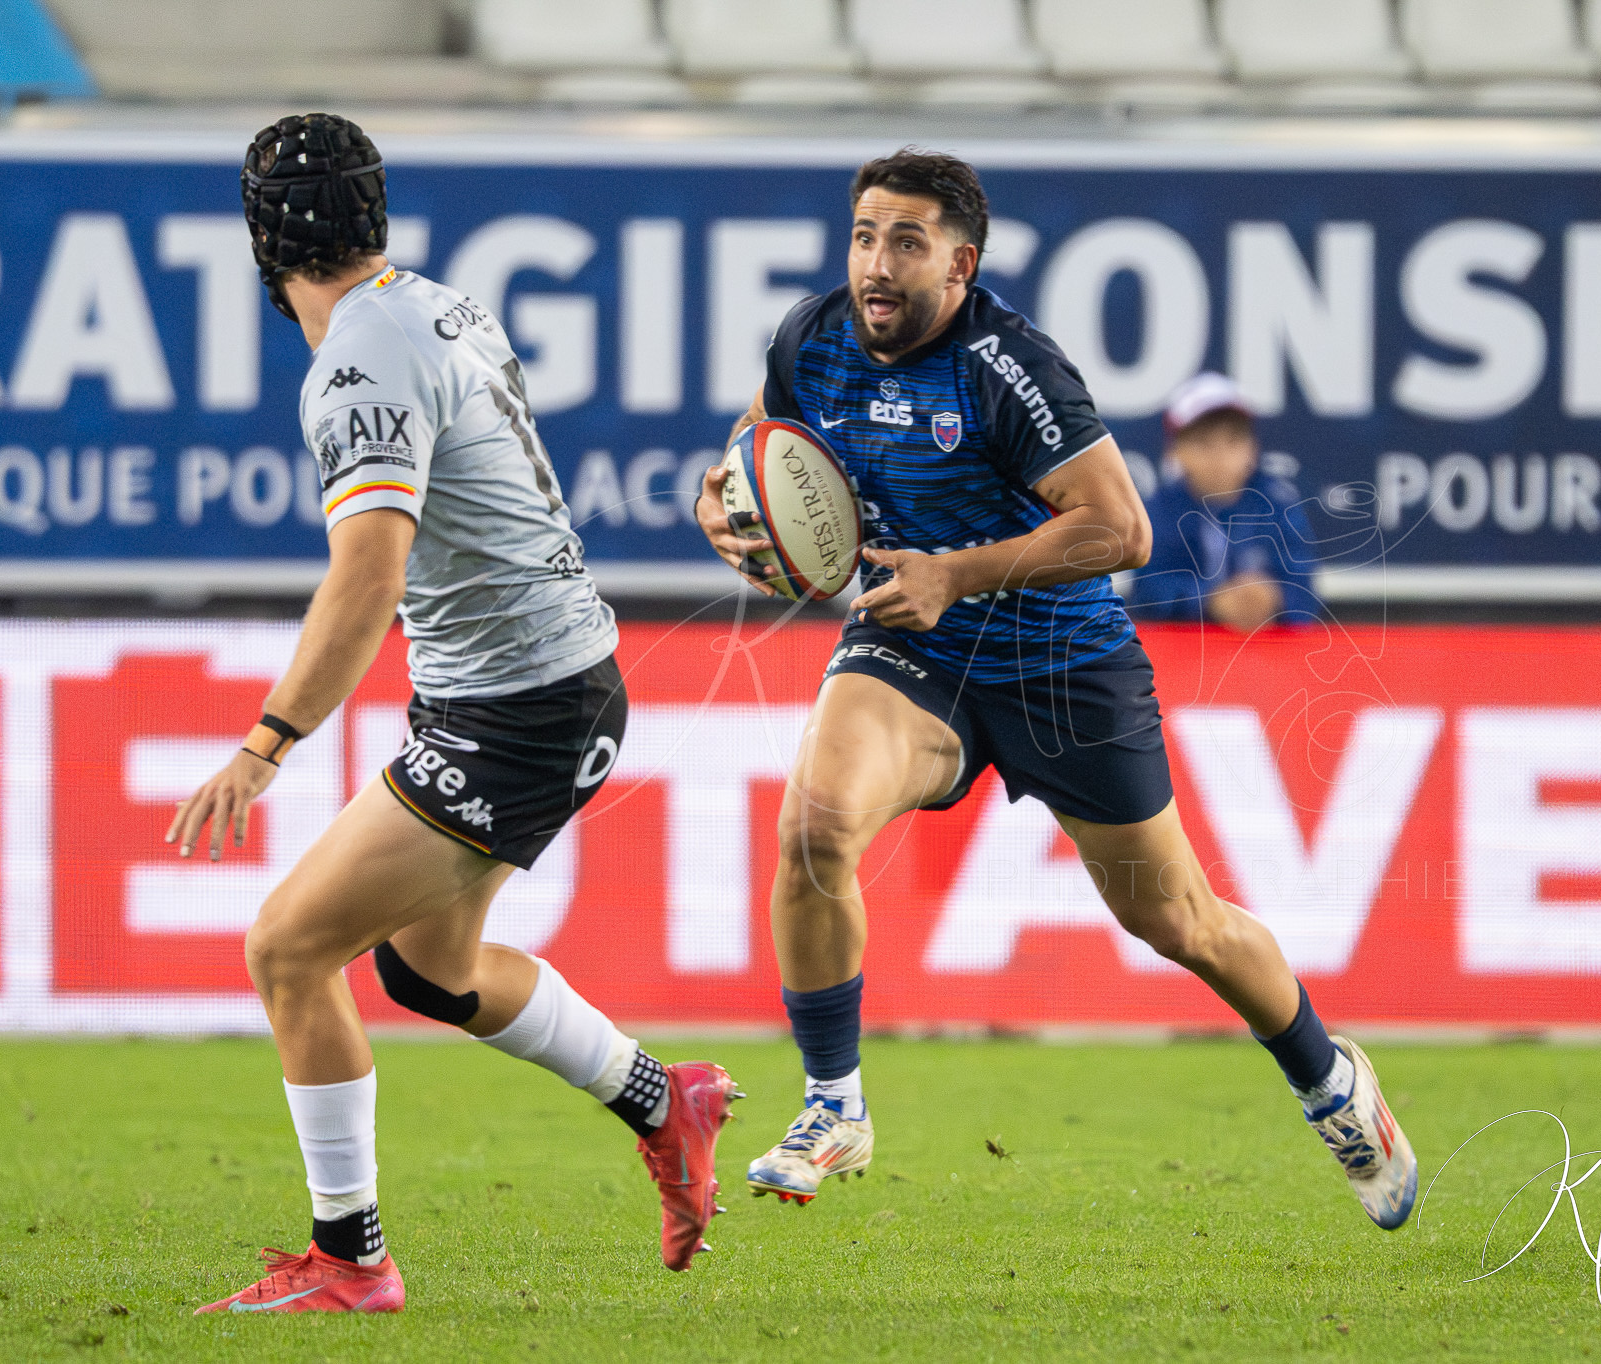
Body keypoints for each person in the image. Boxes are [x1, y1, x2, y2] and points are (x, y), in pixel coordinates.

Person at [694, 148, 1416, 1232]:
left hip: (1061, 669)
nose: (875, 264)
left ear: (959, 261)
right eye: (862, 235)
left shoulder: (1009, 366)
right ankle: (831, 1102)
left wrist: (954, 571)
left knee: (1178, 919)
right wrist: (725, 502)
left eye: (905, 242)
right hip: (915, 650)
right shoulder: (812, 339)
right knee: (813, 827)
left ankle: (1329, 1082)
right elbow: (756, 447)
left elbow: (1118, 528)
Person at [167, 113, 737, 1316]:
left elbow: (369, 574)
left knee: (286, 946)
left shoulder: (358, 360)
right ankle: (660, 1097)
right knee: (433, 971)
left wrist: (266, 740)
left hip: (518, 706)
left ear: (262, 240)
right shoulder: (435, 304)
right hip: (546, 678)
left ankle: (350, 1259)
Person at [1129, 373, 1319, 633]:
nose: (1220, 456)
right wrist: (1210, 601)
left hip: (1269, 658)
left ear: (1253, 446)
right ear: (1175, 451)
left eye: (1233, 441)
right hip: (1182, 659)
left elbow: (1305, 590)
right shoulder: (1159, 509)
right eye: (1203, 443)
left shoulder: (1278, 503)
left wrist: (1274, 598)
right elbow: (1147, 591)